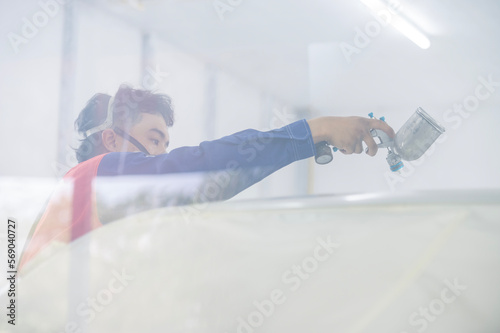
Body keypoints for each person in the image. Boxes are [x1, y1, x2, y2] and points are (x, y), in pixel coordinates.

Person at [18, 84, 395, 273]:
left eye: (166, 144)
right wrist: (312, 132)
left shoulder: (75, 197)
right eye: (153, 140)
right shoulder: (97, 176)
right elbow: (201, 168)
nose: (161, 155)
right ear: (111, 139)